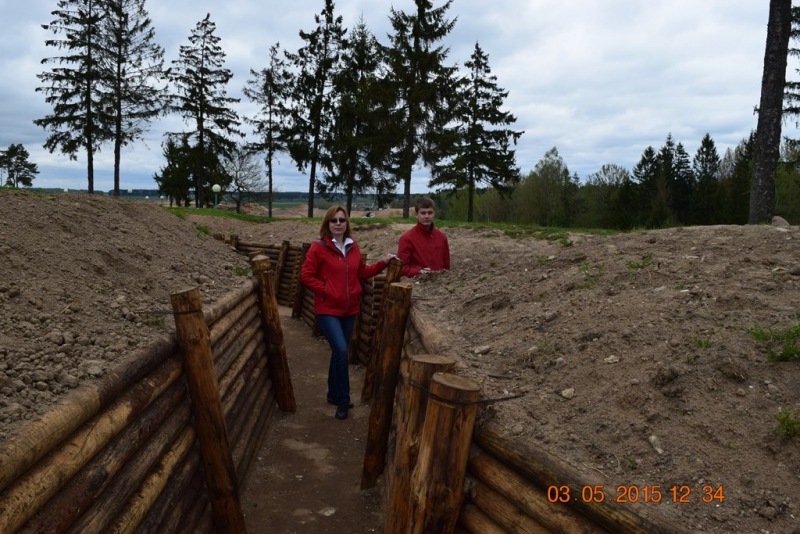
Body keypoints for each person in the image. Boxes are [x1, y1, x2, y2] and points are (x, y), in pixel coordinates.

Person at [300, 206, 395, 420]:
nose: (338, 223)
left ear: (347, 223)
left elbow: (361, 272)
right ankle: (343, 399)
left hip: (350, 310)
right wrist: (326, 290)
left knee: (338, 352)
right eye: (334, 220)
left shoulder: (353, 247)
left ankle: (333, 393)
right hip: (327, 309)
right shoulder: (319, 248)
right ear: (327, 224)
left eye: (342, 220)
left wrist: (383, 263)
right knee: (342, 351)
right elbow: (306, 276)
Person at [397, 196, 450, 278]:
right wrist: (419, 272)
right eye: (423, 213)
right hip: (418, 285)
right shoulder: (406, 239)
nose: (426, 216)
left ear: (434, 213)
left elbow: (447, 267)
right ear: (416, 214)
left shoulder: (442, 237)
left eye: (429, 212)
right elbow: (401, 269)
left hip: (441, 286)